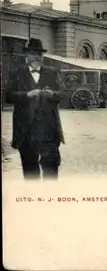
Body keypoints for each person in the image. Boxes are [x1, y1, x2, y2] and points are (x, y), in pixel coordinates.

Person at [6, 38, 66, 180]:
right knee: (30, 170)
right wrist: (27, 95)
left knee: (51, 168)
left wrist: (52, 94)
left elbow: (64, 94)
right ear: (27, 55)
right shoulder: (17, 72)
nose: (37, 57)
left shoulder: (52, 72)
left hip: (49, 130)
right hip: (26, 131)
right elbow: (7, 96)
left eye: (40, 54)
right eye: (33, 53)